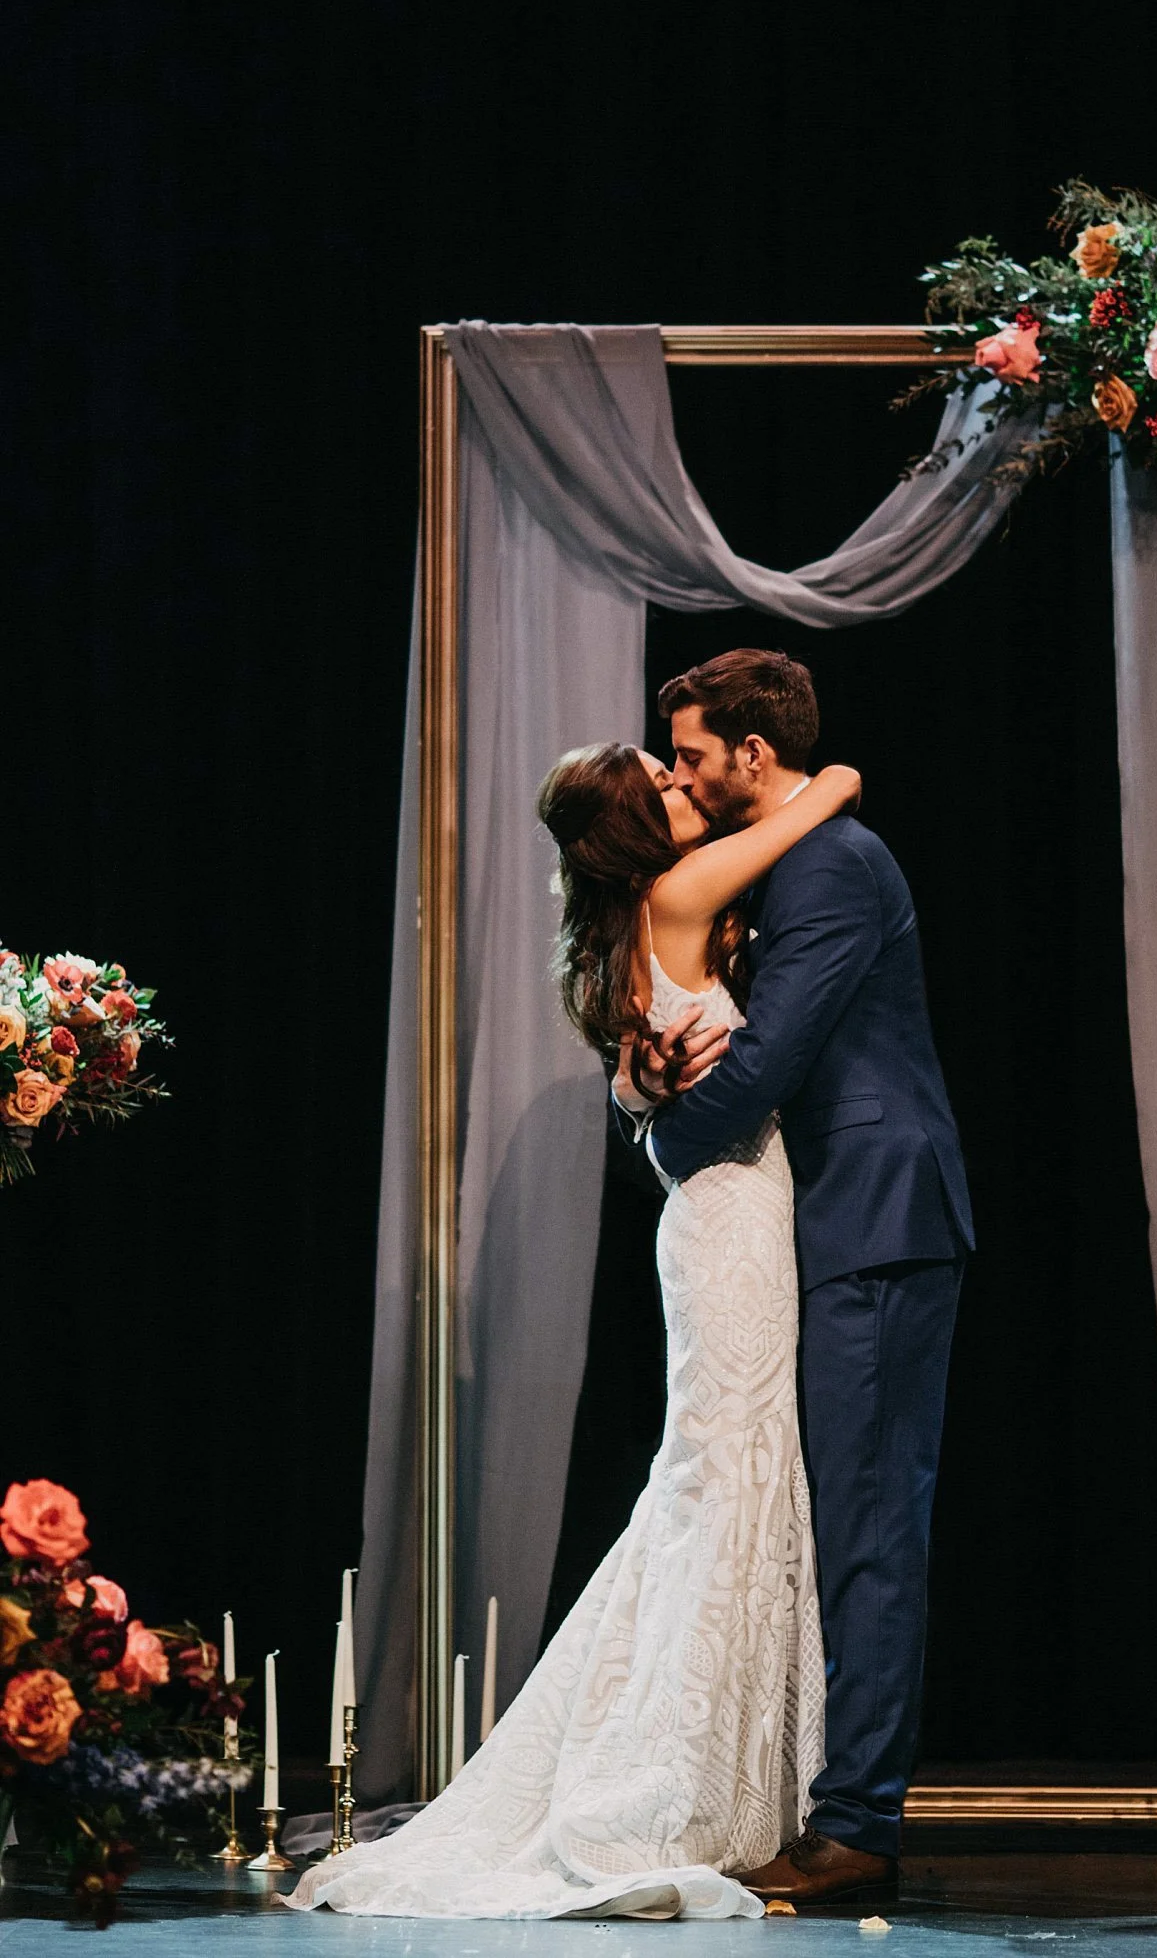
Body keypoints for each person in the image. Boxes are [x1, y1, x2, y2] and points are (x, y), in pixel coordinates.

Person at [286, 740, 860, 1922]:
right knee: (721, 1477)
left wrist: (645, 1091)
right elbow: (826, 799)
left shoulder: (630, 921)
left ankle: (700, 1762)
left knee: (712, 1477)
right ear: (634, 829)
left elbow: (643, 1082)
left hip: (719, 1216)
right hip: (730, 1217)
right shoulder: (678, 892)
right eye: (664, 784)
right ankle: (674, 1774)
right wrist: (833, 774)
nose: (686, 788)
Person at [617, 650, 973, 1907]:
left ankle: (857, 1825)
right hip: (829, 1223)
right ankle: (814, 1797)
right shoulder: (786, 859)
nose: (687, 776)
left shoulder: (828, 863)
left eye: (698, 755)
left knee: (872, 1526)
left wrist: (661, 1139)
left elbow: (772, 1060)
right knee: (834, 1520)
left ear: (754, 756)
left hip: (875, 1218)